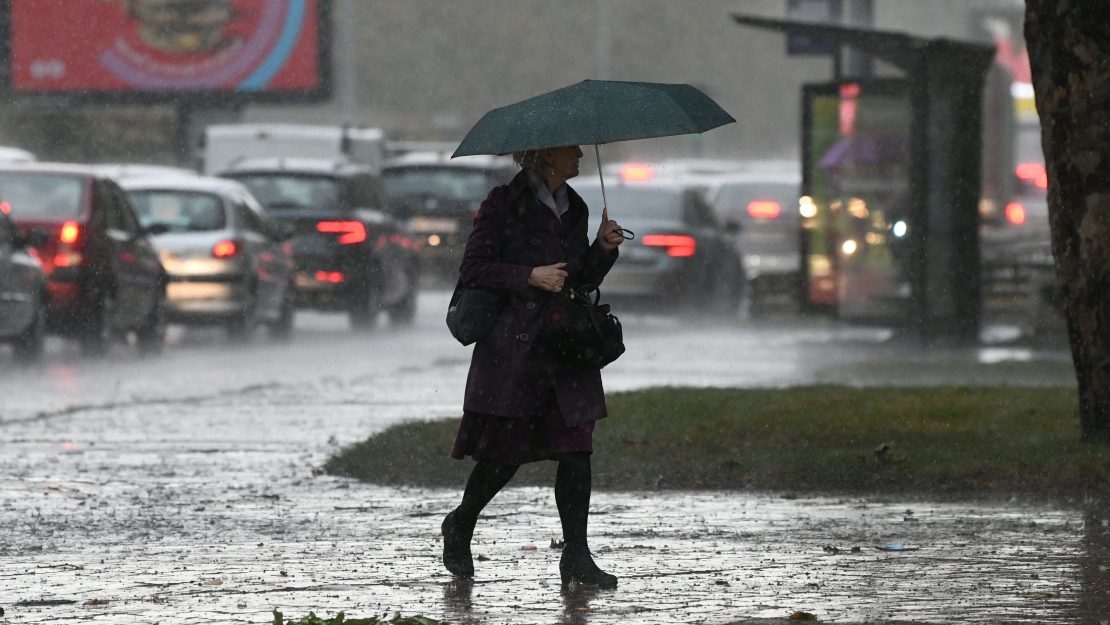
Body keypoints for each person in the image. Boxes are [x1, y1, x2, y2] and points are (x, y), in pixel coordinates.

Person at [442, 144, 627, 587]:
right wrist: (529, 275)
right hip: (516, 350)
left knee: (576, 451)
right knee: (503, 456)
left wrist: (602, 249)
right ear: (545, 156)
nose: (580, 153)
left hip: (566, 346)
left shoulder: (577, 206)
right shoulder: (503, 204)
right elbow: (475, 268)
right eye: (570, 148)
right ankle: (461, 523)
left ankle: (577, 558)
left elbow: (578, 279)